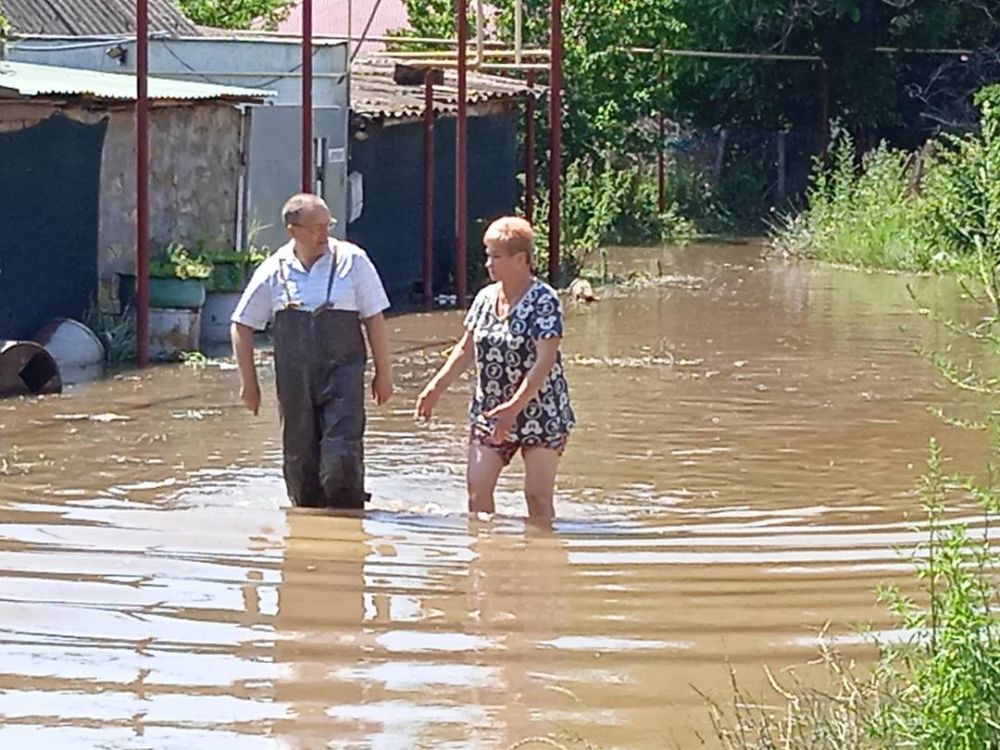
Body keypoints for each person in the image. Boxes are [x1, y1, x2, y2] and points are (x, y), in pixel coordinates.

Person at [231, 193, 393, 509]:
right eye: (317, 227)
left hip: (343, 376)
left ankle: (349, 522)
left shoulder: (353, 261)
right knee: (299, 463)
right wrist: (249, 385)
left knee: (340, 457)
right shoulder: (274, 269)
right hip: (295, 383)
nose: (324, 234)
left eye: (328, 225)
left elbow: (374, 318)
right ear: (293, 230)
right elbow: (242, 324)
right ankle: (306, 527)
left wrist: (383, 374)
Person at [415, 216, 575, 519]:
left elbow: (545, 360)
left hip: (541, 412)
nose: (488, 264)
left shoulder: (544, 301)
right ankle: (487, 548)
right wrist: (435, 388)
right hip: (490, 410)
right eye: (488, 255)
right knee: (477, 492)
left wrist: (514, 407)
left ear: (520, 259)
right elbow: (466, 349)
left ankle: (541, 549)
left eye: (496, 256)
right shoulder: (485, 298)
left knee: (537, 497)